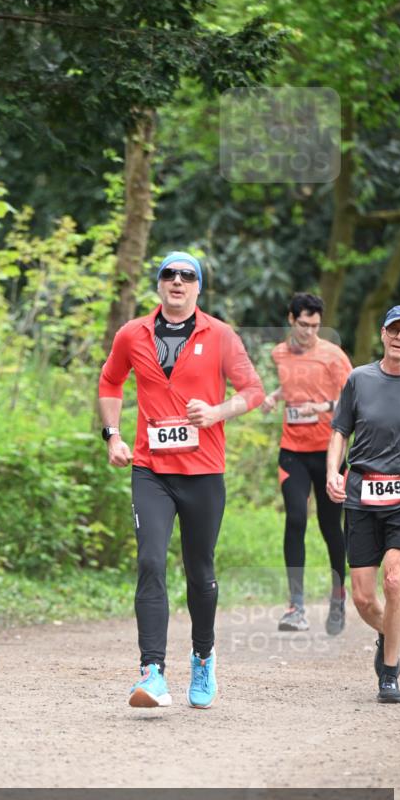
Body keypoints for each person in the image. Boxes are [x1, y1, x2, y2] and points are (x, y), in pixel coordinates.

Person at [98, 251, 264, 709]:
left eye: (187, 275)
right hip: (150, 470)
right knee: (150, 561)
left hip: (204, 472)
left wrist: (216, 412)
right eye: (168, 274)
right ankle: (151, 672)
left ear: (198, 286)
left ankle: (203, 657)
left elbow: (253, 391)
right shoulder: (133, 334)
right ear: (159, 284)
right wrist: (112, 436)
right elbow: (110, 382)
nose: (177, 281)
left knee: (200, 571)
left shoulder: (221, 335)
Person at [326, 305, 400, 704]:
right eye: (394, 330)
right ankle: (388, 633)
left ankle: (391, 673)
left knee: (394, 579)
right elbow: (340, 431)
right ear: (382, 334)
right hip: (361, 493)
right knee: (362, 597)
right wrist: (333, 472)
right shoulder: (359, 379)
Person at [262, 293, 352, 634]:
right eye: (303, 325)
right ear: (291, 319)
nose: (309, 332)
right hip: (293, 452)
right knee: (296, 518)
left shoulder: (334, 356)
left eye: (315, 326)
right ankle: (295, 606)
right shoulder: (279, 353)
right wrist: (274, 396)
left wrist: (326, 407)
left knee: (331, 527)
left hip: (329, 451)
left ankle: (338, 596)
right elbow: (293, 386)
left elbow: (353, 400)